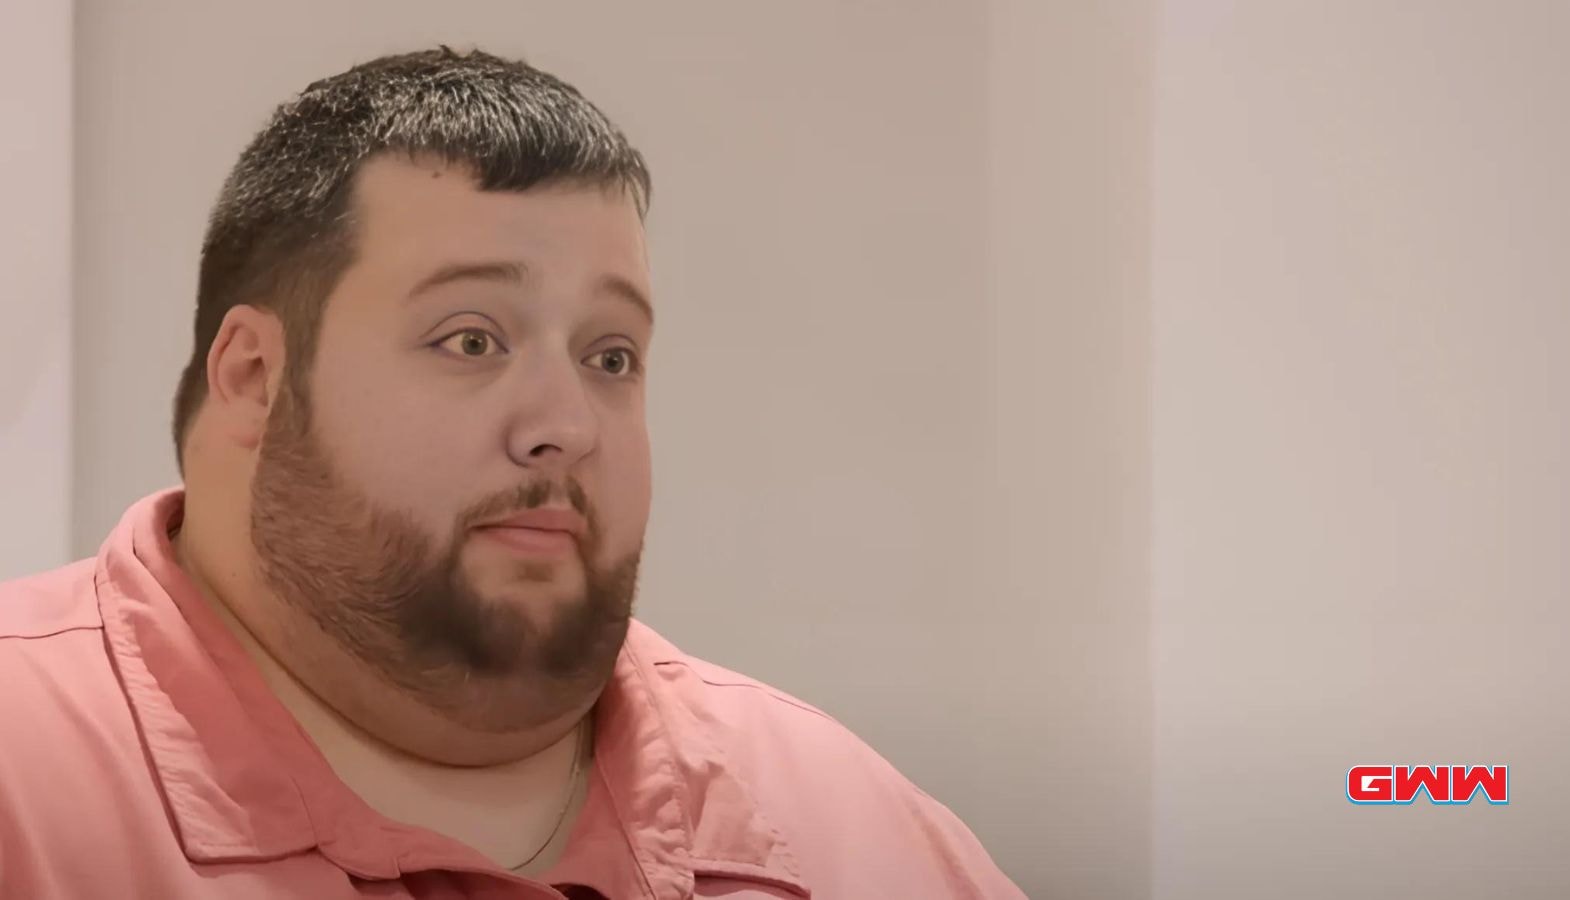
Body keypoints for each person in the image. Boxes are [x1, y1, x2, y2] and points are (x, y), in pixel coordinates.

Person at [0, 48, 1023, 900]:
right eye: (472, 340)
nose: (567, 425)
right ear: (255, 379)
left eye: (610, 356)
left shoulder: (850, 838)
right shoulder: (28, 782)